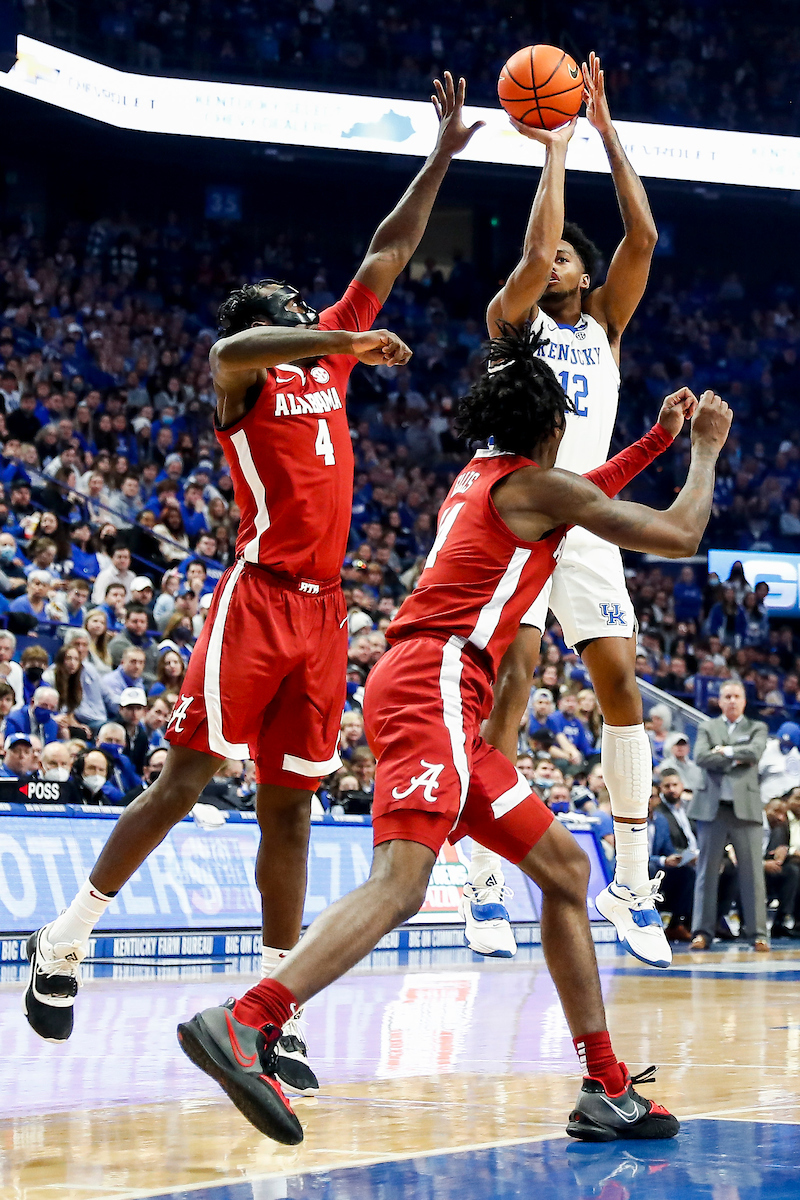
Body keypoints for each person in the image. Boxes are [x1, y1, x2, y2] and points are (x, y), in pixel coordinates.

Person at [22, 74, 484, 1091]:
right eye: (292, 309)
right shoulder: (247, 377)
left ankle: (274, 1009)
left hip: (326, 615)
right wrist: (336, 335)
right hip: (256, 597)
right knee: (184, 779)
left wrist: (440, 156)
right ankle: (66, 936)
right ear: (273, 321)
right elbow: (233, 343)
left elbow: (388, 251)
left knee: (291, 811)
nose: (308, 308)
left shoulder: (329, 362)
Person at [173, 323, 730, 1145]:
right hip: (434, 684)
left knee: (566, 871)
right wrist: (704, 450)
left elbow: (586, 493)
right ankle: (249, 1020)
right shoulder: (539, 488)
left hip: (438, 694)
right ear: (551, 430)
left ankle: (605, 1085)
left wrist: (654, 439)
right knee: (402, 884)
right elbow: (679, 535)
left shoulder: (486, 475)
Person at [461, 52, 667, 968]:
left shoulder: (606, 326)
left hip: (587, 515)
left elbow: (643, 237)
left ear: (585, 275)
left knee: (621, 684)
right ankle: (480, 877)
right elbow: (534, 249)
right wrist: (554, 146)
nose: (554, 265)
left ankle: (632, 882)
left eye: (568, 259)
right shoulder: (517, 319)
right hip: (516, 512)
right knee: (513, 680)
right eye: (549, 258)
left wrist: (606, 133)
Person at [687, 681, 769, 951]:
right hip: (712, 808)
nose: (732, 700)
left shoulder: (757, 727)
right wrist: (738, 757)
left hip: (746, 809)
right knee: (706, 873)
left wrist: (724, 751)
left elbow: (755, 752)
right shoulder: (707, 727)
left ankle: (758, 934)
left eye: (736, 696)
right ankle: (701, 933)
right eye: (727, 696)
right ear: (720, 701)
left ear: (744, 700)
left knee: (752, 874)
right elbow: (701, 757)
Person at [652, 769, 698, 942]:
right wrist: (664, 859)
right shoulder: (631, 821)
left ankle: (678, 924)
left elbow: (668, 848)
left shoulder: (660, 820)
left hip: (664, 864)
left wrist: (679, 858)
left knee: (687, 872)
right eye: (667, 786)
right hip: (647, 865)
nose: (649, 801)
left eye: (652, 797)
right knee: (651, 868)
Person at [763, 799, 799, 939]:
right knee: (793, 871)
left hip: (781, 866)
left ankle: (783, 919)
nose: (780, 817)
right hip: (760, 865)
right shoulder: (781, 824)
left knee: (793, 871)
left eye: (782, 813)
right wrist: (764, 863)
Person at [759, 721, 800, 806]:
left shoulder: (796, 754)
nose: (786, 746)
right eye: (784, 742)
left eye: (790, 744)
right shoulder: (766, 749)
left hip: (789, 802)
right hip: (767, 800)